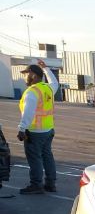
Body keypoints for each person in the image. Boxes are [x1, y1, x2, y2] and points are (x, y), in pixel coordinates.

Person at [17, 59, 58, 195]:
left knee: (35, 159)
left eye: (26, 74)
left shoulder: (32, 92)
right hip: (48, 130)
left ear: (33, 75)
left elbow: (28, 112)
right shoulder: (48, 88)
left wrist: (22, 129)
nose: (25, 77)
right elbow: (54, 82)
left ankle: (36, 185)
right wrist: (46, 68)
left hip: (35, 131)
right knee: (47, 156)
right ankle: (50, 183)